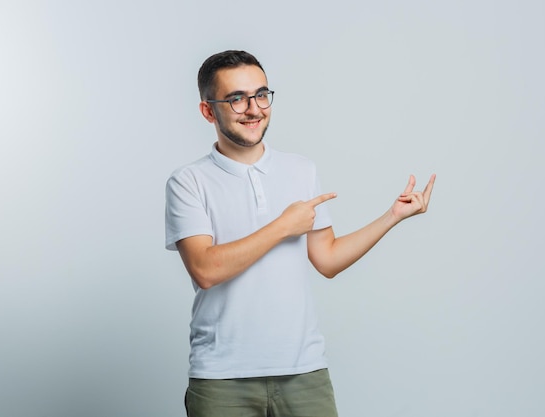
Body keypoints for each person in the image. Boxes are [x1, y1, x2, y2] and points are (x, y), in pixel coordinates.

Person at [165, 50, 436, 417]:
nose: (254, 108)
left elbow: (327, 260)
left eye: (261, 94)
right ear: (208, 111)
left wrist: (392, 216)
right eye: (236, 98)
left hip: (304, 371)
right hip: (221, 378)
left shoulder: (300, 170)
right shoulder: (188, 181)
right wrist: (282, 227)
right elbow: (205, 270)